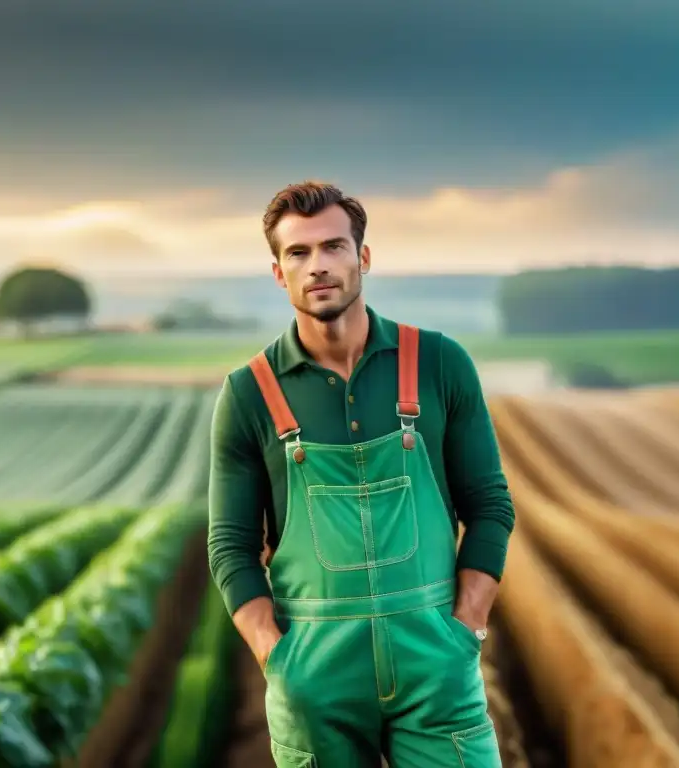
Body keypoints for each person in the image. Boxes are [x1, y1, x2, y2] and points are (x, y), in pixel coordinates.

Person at [207, 180, 515, 767]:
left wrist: (466, 628)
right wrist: (277, 658)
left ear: (363, 257)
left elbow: (490, 505)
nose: (317, 266)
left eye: (333, 247)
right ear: (278, 272)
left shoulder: (439, 363)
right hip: (315, 680)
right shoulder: (248, 395)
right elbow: (231, 547)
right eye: (298, 253)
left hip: (436, 669)